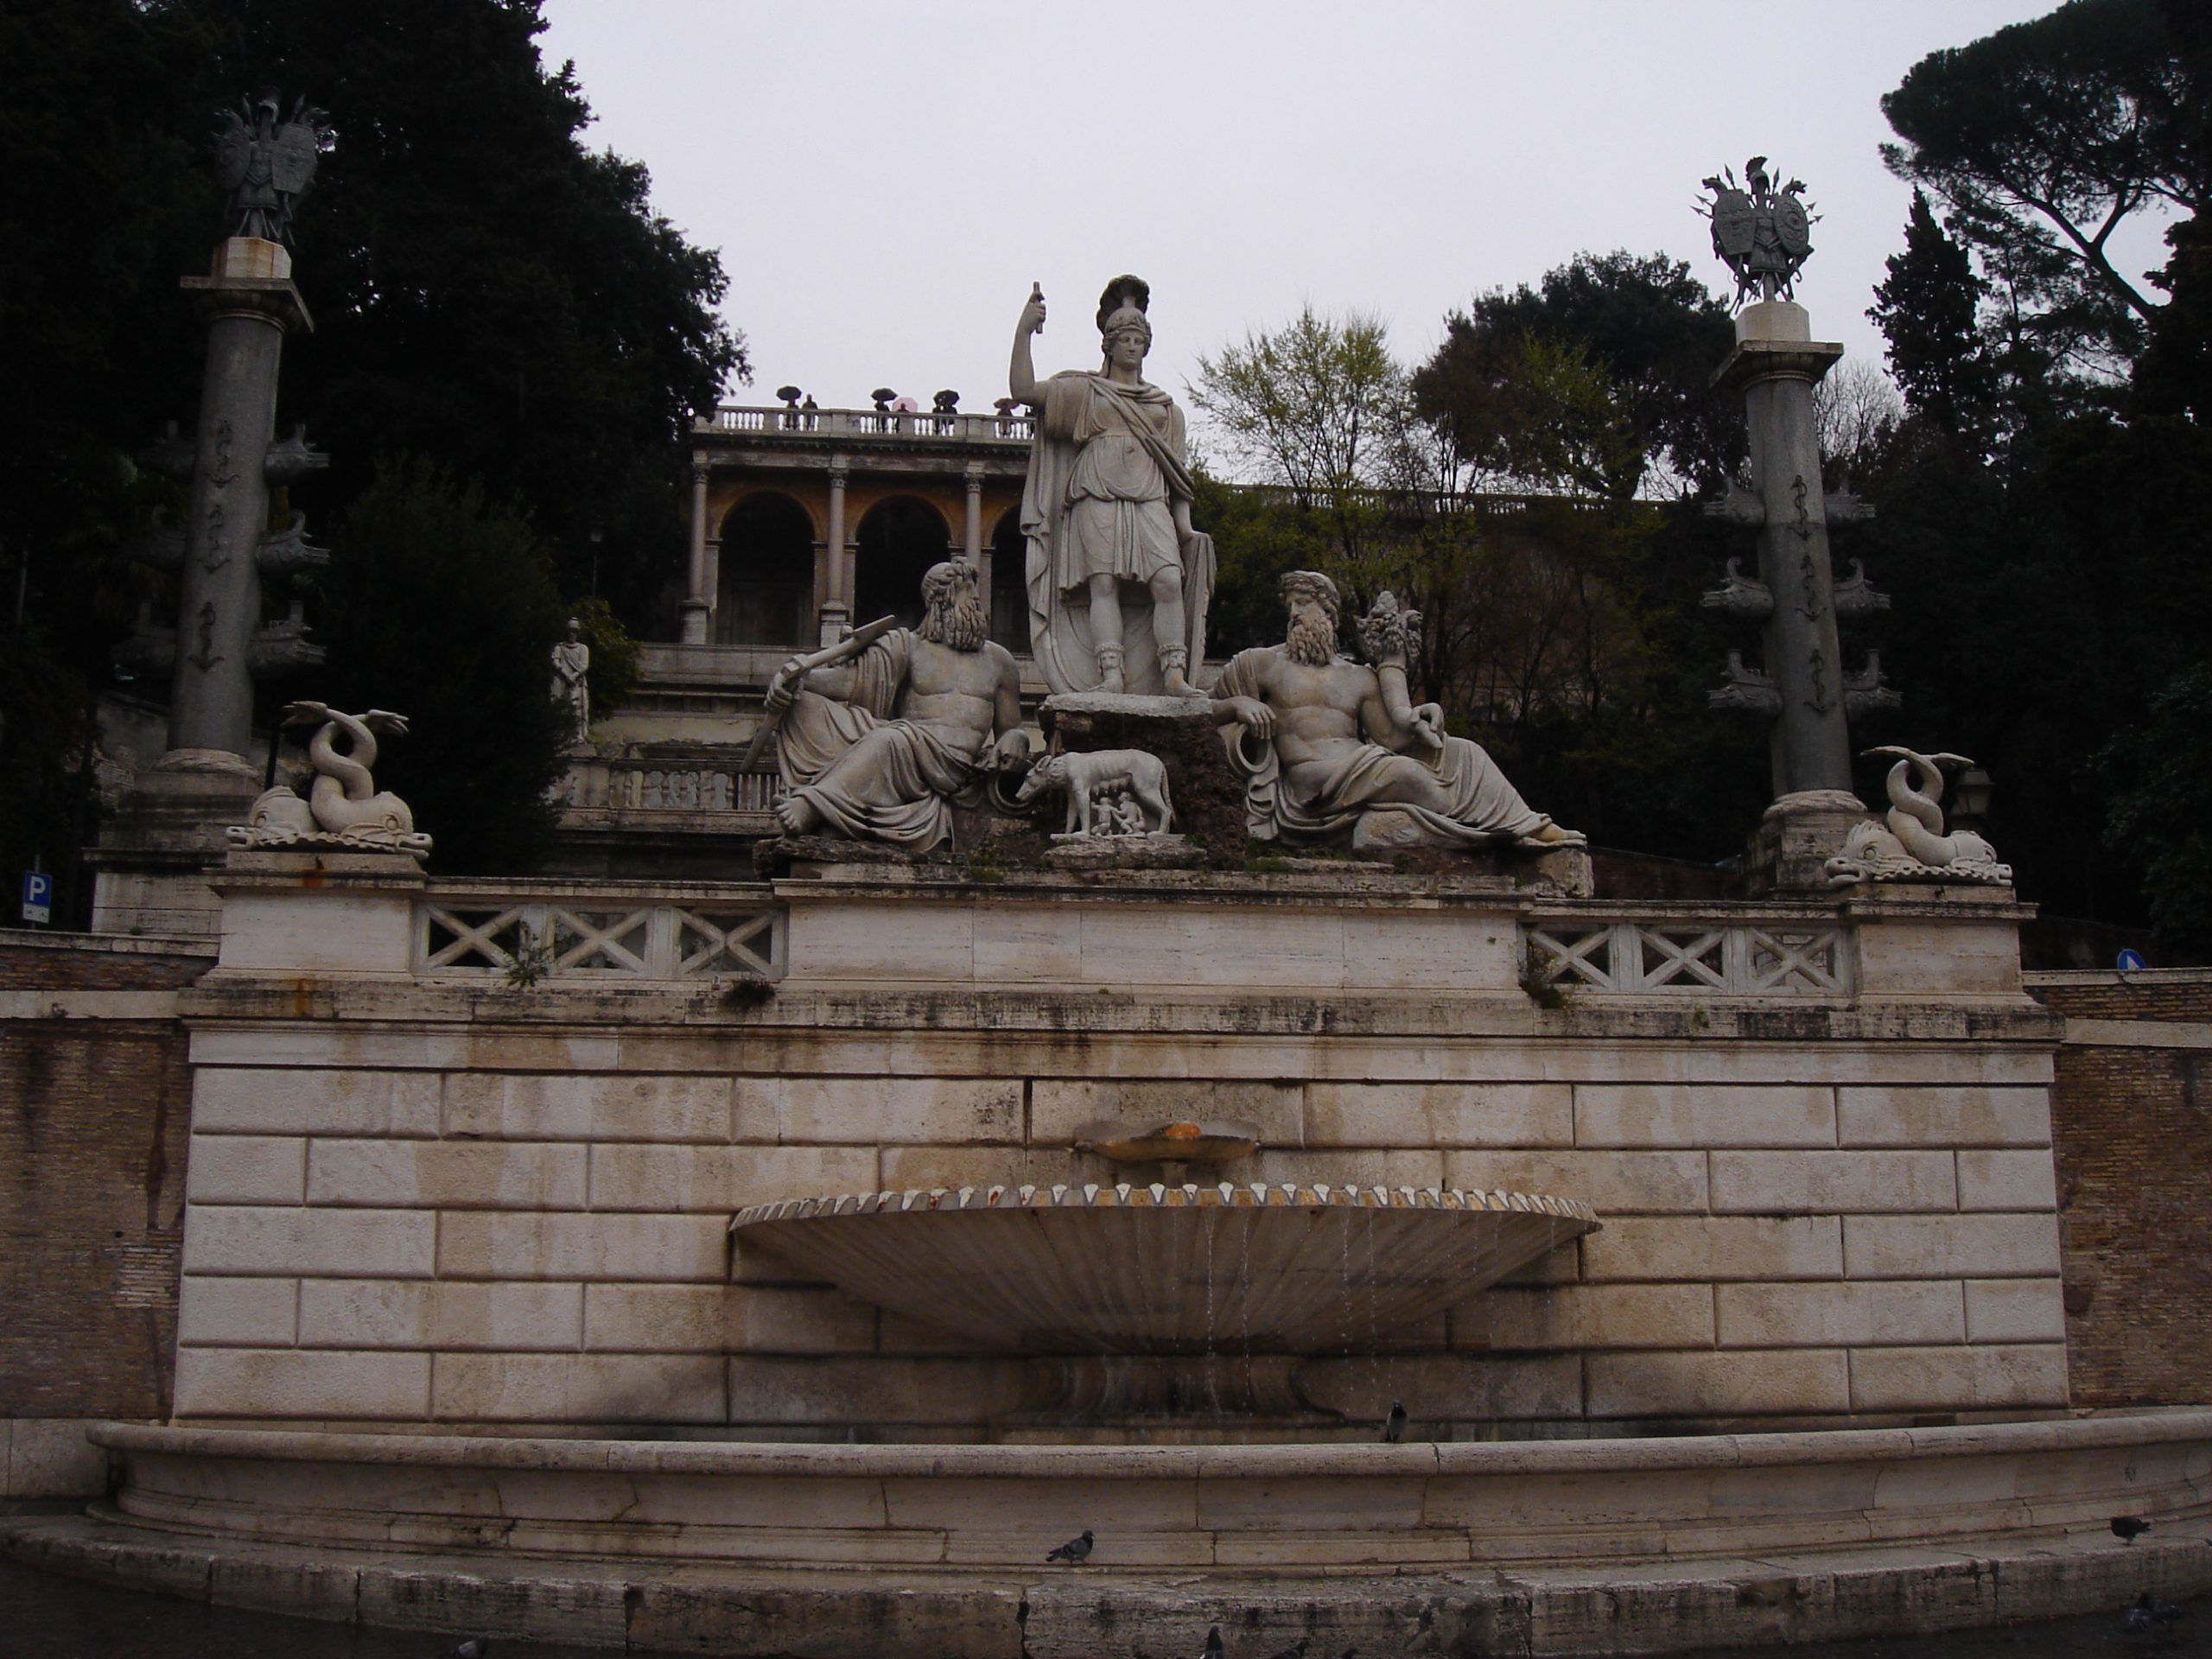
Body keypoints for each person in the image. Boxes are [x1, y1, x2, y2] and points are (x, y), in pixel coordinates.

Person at [1211, 571, 1584, 850]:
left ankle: (1527, 827)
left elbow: (1391, 737)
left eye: (1302, 604)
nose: (1293, 613)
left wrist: (1423, 713)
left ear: (1327, 612)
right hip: (1311, 782)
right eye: (1290, 605)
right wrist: (1237, 703)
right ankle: (1495, 834)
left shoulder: (1358, 676)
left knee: (1464, 753)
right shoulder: (1260, 664)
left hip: (1364, 763)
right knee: (1412, 777)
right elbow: (1198, 712)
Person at [1010, 276, 1212, 698]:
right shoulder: (1085, 391)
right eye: (1124, 338)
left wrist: (1186, 527)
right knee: (1103, 586)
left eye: (1139, 338)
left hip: (1149, 496)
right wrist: (1024, 330)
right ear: (1108, 343)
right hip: (1094, 493)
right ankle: (1111, 674)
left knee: (1169, 581)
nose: (1132, 345)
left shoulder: (1165, 407)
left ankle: (1173, 675)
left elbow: (1178, 479)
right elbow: (1024, 391)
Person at [765, 561, 1027, 852]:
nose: (977, 600)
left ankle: (812, 805)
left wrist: (1017, 738)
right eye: (967, 591)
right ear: (940, 601)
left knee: (890, 738)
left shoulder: (1000, 660)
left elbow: (1010, 729)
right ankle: (828, 803)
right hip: (909, 751)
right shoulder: (907, 646)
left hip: (955, 765)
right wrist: (795, 680)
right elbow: (848, 683)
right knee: (806, 705)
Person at [550, 617, 590, 741]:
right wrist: (566, 675)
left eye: (575, 630)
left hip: (576, 682)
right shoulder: (559, 647)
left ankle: (577, 734)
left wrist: (574, 676)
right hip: (562, 681)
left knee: (576, 708)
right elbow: (555, 661)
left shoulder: (583, 648)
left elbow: (584, 665)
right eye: (571, 630)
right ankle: (560, 734)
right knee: (562, 707)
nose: (573, 633)